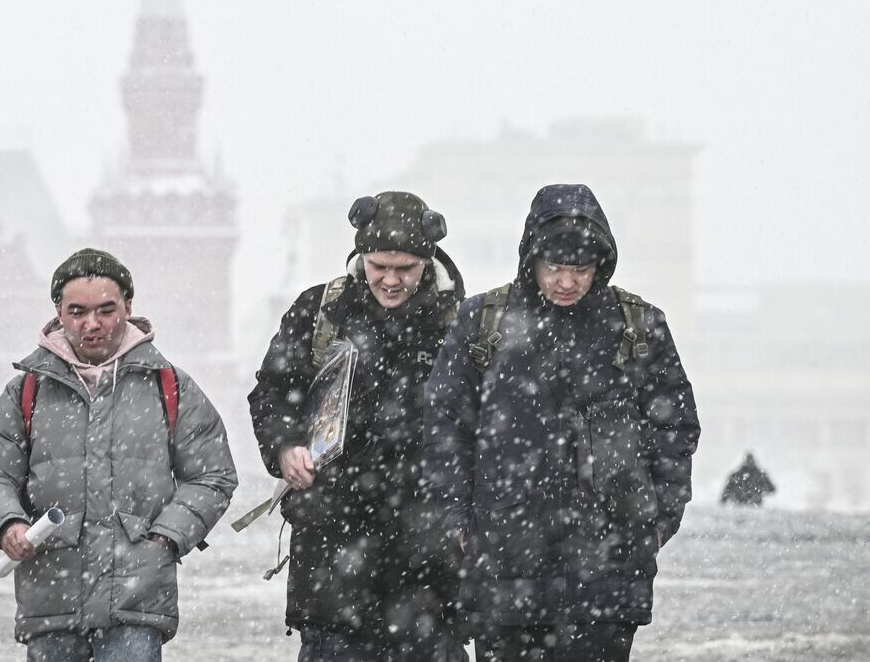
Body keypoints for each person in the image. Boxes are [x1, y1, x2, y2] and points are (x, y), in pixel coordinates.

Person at [424, 184, 700, 662]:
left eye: (581, 269)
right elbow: (445, 426)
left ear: (600, 265)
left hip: (609, 568)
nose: (567, 282)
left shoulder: (638, 326)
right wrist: (458, 522)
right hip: (504, 566)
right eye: (554, 267)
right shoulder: (483, 322)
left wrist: (659, 522)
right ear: (531, 260)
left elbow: (674, 429)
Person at [0, 248, 238, 662]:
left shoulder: (169, 385)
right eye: (77, 311)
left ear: (128, 307)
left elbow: (212, 474)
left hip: (136, 601)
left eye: (106, 310)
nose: (91, 324)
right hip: (51, 599)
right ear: (58, 312)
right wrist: (8, 524)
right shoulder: (27, 390)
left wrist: (166, 537)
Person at [249, 191, 469, 661]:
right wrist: (285, 448)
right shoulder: (320, 311)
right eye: (378, 266)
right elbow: (272, 392)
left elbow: (487, 422)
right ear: (360, 257)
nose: (390, 280)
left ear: (428, 261)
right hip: (332, 551)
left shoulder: (463, 324)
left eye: (405, 268)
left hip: (430, 561)